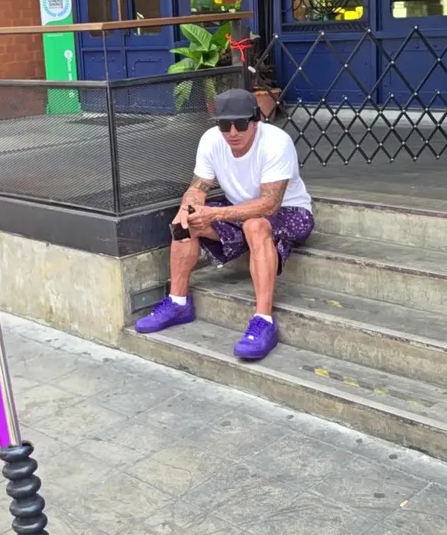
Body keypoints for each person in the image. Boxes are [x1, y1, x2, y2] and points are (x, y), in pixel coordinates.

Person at [135, 88, 314, 359]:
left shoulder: (277, 142)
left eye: (240, 124)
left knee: (255, 225)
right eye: (224, 125)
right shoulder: (211, 140)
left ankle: (263, 321)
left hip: (291, 212)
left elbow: (270, 205)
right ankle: (178, 302)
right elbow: (198, 187)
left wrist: (214, 215)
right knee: (185, 221)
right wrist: (189, 206)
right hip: (239, 212)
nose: (232, 132)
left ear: (255, 121)